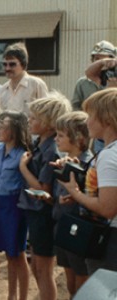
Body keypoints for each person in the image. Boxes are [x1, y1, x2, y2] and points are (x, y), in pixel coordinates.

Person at [19, 94, 72, 300]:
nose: (30, 121)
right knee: (36, 266)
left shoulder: (51, 150)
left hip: (44, 215)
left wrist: (23, 168)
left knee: (43, 270)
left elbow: (44, 189)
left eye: (34, 118)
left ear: (49, 124)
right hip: (35, 213)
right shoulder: (40, 143)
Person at [58, 88, 117, 274]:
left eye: (90, 115)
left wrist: (75, 193)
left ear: (106, 119)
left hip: (110, 241)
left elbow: (107, 208)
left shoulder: (109, 155)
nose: (87, 121)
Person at [52, 112, 93, 297]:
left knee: (81, 281)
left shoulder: (89, 164)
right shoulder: (63, 162)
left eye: (61, 135)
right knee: (70, 282)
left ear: (78, 138)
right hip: (63, 226)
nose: (56, 139)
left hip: (79, 231)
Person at [0, 111, 30, 300]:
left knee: (18, 254)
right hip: (1, 203)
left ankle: (21, 297)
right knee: (9, 254)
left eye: (3, 126)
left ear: (14, 131)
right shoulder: (0, 150)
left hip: (14, 206)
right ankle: (11, 295)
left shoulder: (22, 155)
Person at [0, 43, 48, 114]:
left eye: (12, 64)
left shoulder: (36, 84)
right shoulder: (3, 90)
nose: (7, 68)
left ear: (23, 64)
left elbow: (46, 113)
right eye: (5, 64)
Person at [72, 40, 116, 110]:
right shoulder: (83, 83)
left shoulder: (114, 81)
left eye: (104, 58)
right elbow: (75, 108)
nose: (99, 62)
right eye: (96, 59)